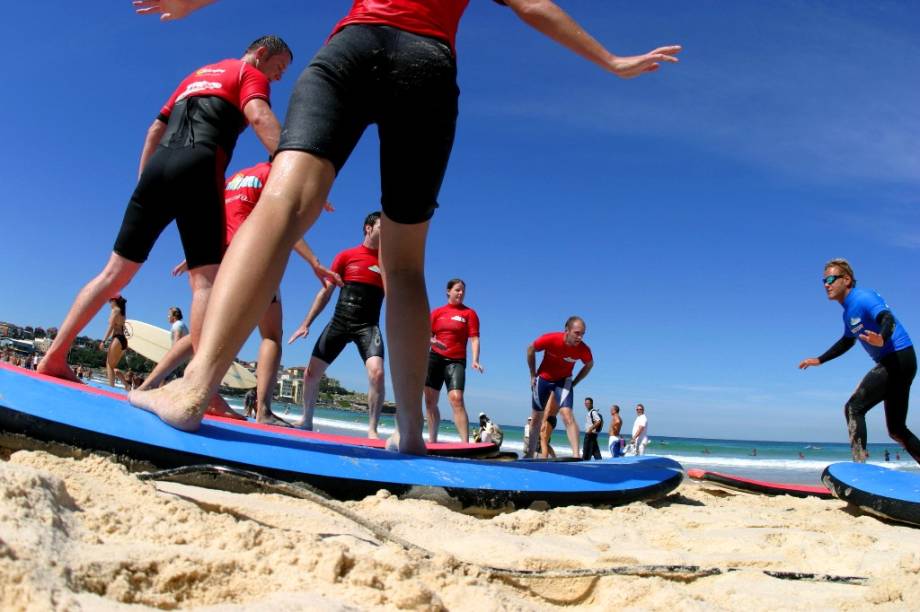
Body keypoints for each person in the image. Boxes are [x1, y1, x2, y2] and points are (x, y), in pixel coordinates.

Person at [131, 0, 680, 451]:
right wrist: (610, 60)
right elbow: (533, 5)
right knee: (406, 260)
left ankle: (192, 391)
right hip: (427, 65)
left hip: (351, 50)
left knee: (280, 207)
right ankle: (413, 435)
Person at [39, 35, 292, 387]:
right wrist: (293, 168)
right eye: (279, 67)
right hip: (200, 165)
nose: (277, 77)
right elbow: (260, 116)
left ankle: (54, 355)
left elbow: (155, 128)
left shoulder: (194, 76)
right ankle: (199, 386)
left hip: (157, 170)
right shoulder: (248, 74)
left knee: (114, 272)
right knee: (205, 281)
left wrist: (145, 185)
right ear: (261, 53)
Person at [134, 161, 338, 425]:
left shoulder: (235, 178)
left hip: (217, 255)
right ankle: (263, 411)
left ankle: (150, 383)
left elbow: (218, 219)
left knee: (203, 332)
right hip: (252, 257)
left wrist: (195, 257)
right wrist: (314, 261)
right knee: (272, 336)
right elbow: (281, 225)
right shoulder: (279, 176)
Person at [799, 258, 919, 465]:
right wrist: (820, 360)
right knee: (897, 430)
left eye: (830, 278)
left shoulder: (863, 297)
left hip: (897, 358)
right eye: (823, 281)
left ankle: (859, 468)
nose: (826, 284)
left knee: (854, 408)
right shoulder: (848, 313)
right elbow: (847, 341)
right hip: (899, 362)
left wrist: (882, 337)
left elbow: (886, 317)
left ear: (846, 280)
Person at [288, 213, 386, 437]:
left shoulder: (386, 263)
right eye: (383, 226)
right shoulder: (346, 256)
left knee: (377, 373)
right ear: (368, 228)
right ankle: (306, 420)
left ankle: (372, 430)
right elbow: (326, 292)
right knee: (311, 374)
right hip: (340, 322)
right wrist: (306, 323)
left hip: (368, 326)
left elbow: (397, 300)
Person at [527, 316, 594, 458]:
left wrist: (575, 381)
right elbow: (530, 349)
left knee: (566, 414)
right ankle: (529, 454)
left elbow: (589, 364)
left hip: (563, 381)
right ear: (567, 330)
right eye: (577, 333)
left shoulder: (583, 349)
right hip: (543, 379)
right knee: (536, 417)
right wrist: (532, 374)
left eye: (583, 334)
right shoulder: (550, 339)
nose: (580, 337)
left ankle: (576, 456)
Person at [424, 278, 482, 443]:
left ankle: (465, 443)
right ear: (448, 291)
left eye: (463, 290)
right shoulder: (437, 313)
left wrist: (475, 359)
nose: (461, 293)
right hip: (434, 358)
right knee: (430, 401)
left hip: (456, 360)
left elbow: (475, 338)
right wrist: (432, 341)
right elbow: (425, 334)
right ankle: (432, 441)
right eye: (457, 290)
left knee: (457, 399)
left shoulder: (469, 313)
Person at [99, 296, 129, 388]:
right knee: (113, 367)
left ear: (114, 301)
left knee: (109, 365)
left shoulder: (115, 310)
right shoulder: (122, 312)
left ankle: (111, 389)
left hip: (117, 339)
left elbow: (111, 327)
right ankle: (126, 385)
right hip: (123, 340)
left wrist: (103, 341)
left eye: (110, 301)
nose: (109, 303)